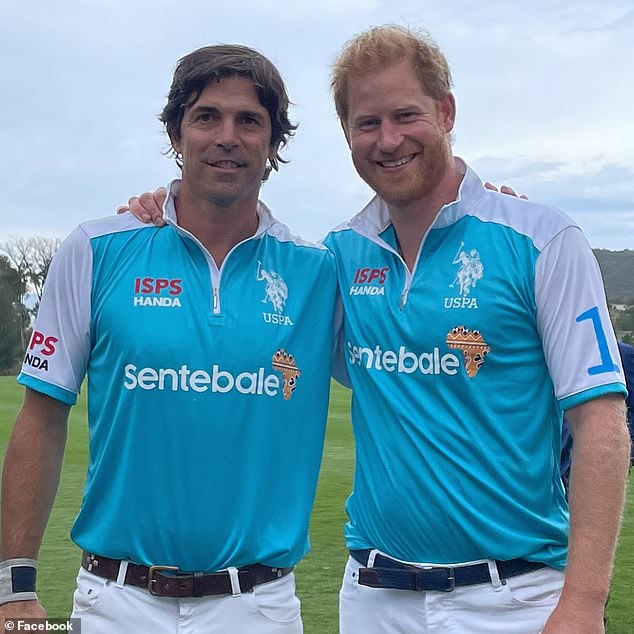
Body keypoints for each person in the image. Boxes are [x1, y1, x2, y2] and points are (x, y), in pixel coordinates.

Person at [121, 25, 630, 634]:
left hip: (515, 597)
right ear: (347, 134)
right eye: (367, 123)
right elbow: (239, 288)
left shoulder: (543, 239)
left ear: (445, 112)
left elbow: (600, 421)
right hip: (374, 597)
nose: (389, 140)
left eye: (406, 115)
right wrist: (166, 207)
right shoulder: (336, 259)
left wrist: (583, 601)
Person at [0, 44, 337, 633]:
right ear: (176, 134)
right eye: (207, 117)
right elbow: (42, 414)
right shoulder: (97, 248)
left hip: (259, 606)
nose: (226, 136)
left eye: (249, 120)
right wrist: (12, 590)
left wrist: (478, 203)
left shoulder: (318, 272)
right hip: (114, 601)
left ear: (274, 143)